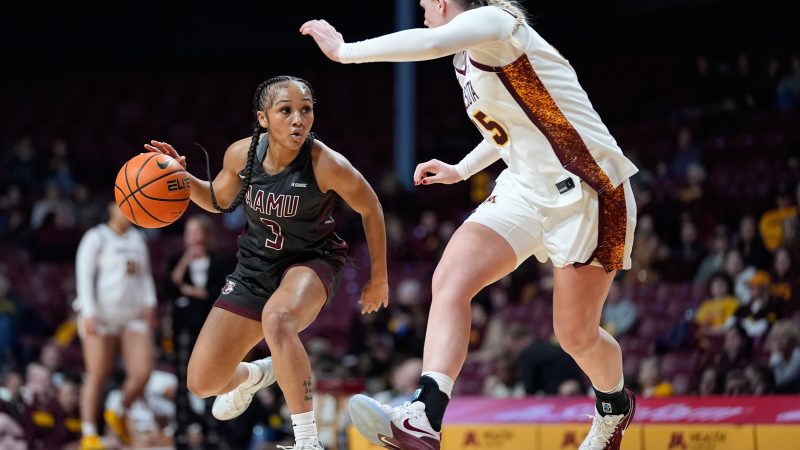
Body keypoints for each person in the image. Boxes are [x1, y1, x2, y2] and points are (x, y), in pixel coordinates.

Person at [301, 1, 638, 449]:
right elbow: (512, 128)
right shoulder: (471, 53)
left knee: (575, 335)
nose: (421, 6)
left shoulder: (499, 22)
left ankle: (614, 408)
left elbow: (430, 42)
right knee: (451, 280)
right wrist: (462, 169)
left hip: (588, 189)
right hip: (525, 185)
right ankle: (425, 414)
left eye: (426, 1)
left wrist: (345, 51)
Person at [145, 75, 389, 450]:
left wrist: (379, 279)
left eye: (306, 110)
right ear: (263, 118)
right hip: (255, 266)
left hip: (312, 261)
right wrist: (182, 177)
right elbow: (219, 200)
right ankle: (254, 375)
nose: (298, 119)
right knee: (202, 382)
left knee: (278, 319)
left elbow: (371, 207)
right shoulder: (241, 154)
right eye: (286, 110)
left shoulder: (326, 163)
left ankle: (307, 441)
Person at [73, 202, 158, 450]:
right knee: (97, 373)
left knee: (143, 371)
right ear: (111, 207)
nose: (129, 212)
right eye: (124, 206)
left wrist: (150, 303)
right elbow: (84, 277)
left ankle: (118, 408)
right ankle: (89, 434)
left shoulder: (137, 238)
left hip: (132, 315)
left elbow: (145, 276)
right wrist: (88, 313)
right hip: (101, 315)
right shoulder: (96, 237)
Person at [164, 215, 229, 450]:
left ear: (207, 236)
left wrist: (189, 291)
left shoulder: (220, 261)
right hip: (183, 327)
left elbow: (218, 293)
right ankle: (180, 433)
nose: (194, 238)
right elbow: (170, 287)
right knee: (182, 380)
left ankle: (212, 431)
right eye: (189, 233)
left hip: (209, 327)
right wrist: (185, 262)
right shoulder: (176, 260)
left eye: (197, 232)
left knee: (212, 379)